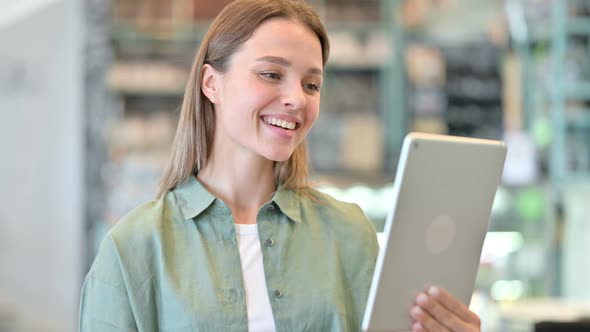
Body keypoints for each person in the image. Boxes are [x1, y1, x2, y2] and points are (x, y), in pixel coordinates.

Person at [79, 0, 482, 331]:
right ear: (210, 83)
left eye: (311, 84)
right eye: (271, 74)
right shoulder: (133, 248)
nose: (297, 99)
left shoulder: (349, 234)